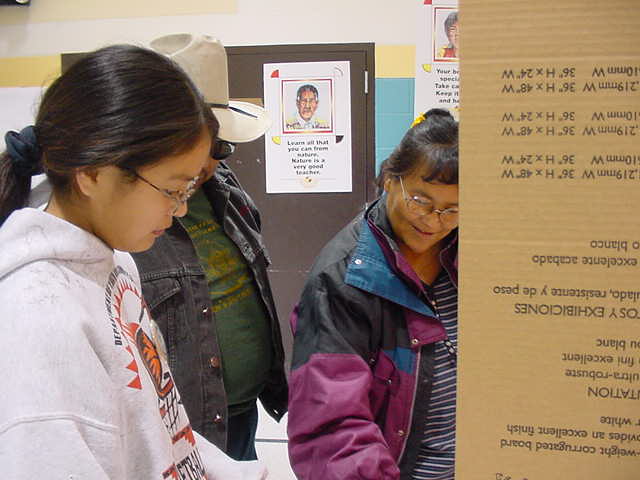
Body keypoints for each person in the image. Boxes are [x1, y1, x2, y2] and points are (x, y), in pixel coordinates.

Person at [0, 44, 266, 479]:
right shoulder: (39, 320)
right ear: (93, 173)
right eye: (173, 189)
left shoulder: (116, 260)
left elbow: (158, 426)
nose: (181, 209)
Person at [131, 34, 288, 461]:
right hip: (177, 437)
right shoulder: (123, 217)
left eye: (220, 147)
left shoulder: (224, 187)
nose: (209, 163)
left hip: (239, 413)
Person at [288, 109, 459, 480]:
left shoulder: (469, 254)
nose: (433, 221)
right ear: (388, 179)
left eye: (451, 209)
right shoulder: (343, 277)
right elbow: (331, 426)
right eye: (420, 200)